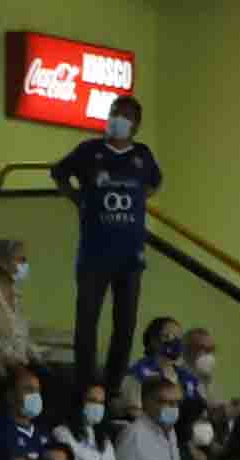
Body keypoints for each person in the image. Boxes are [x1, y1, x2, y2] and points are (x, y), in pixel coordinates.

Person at [50, 93, 158, 390]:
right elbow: (58, 173)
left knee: (125, 325)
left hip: (130, 255)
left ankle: (112, 386)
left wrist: (134, 203)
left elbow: (154, 185)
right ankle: (85, 384)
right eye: (114, 112)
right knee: (86, 321)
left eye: (124, 115)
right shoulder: (88, 150)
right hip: (94, 253)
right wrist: (77, 199)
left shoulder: (143, 155)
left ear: (135, 125)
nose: (116, 119)